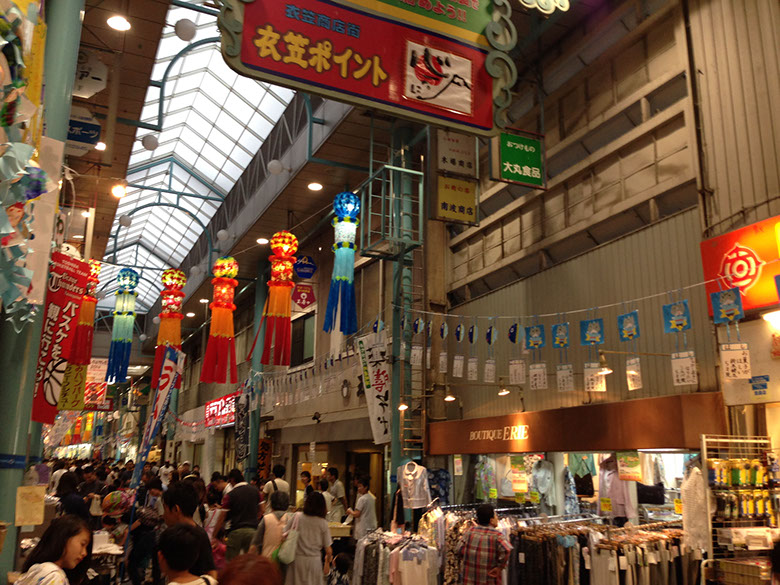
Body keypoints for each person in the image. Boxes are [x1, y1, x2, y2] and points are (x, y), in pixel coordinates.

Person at [162, 481, 217, 578]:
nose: (163, 515)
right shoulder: (169, 534)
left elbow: (211, 570)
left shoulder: (199, 535)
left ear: (175, 509)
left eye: (165, 509)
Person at [18, 515, 92, 585]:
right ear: (64, 538)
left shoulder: (38, 569)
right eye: (82, 544)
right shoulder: (54, 576)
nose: (84, 553)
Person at [284, 492, 333, 585]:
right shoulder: (323, 523)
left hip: (297, 560)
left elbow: (284, 533)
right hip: (314, 562)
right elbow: (328, 550)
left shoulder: (297, 516)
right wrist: (328, 560)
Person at [457, 503, 512, 585]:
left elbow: (458, 549)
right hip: (488, 579)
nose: (497, 518)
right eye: (495, 516)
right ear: (491, 520)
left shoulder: (470, 532)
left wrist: (470, 559)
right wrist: (500, 567)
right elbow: (507, 550)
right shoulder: (497, 535)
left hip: (469, 579)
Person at [218, 468, 260, 560]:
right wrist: (255, 518)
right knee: (250, 562)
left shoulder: (230, 495)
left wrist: (214, 534)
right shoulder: (255, 491)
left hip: (235, 531)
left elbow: (222, 517)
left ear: (232, 480)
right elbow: (263, 509)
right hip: (253, 531)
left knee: (231, 562)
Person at [249, 490, 290, 558]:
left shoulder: (266, 519)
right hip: (286, 561)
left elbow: (255, 543)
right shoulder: (291, 518)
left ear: (271, 503)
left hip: (267, 560)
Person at [346, 476, 377, 540]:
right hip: (371, 525)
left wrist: (350, 511)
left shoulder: (362, 499)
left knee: (361, 546)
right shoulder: (372, 498)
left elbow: (357, 514)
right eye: (358, 487)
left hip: (363, 526)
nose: (358, 489)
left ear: (366, 487)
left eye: (360, 486)